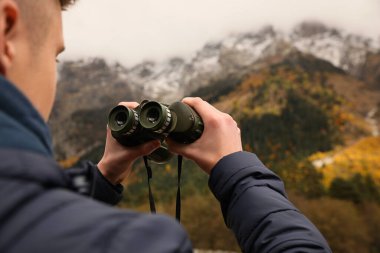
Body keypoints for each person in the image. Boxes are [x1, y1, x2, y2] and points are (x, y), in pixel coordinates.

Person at [0, 0, 332, 252]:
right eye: (54, 57)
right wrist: (240, 173)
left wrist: (102, 178)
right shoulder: (132, 243)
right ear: (5, 31)